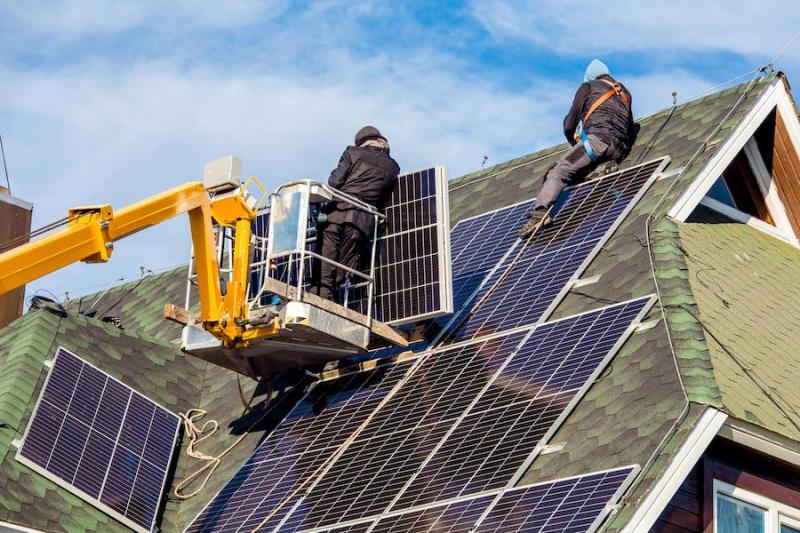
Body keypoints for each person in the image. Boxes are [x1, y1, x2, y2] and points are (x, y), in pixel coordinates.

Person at [519, 59, 636, 238]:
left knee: (559, 171)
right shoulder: (625, 93)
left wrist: (574, 141)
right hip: (618, 148)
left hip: (596, 143)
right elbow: (628, 124)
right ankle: (600, 168)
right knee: (579, 174)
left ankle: (539, 214)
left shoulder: (588, 87)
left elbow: (569, 124)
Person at [313, 126, 400, 302]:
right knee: (344, 263)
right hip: (362, 222)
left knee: (325, 257)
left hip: (336, 214)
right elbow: (384, 200)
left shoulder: (352, 153)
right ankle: (328, 298)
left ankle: (319, 298)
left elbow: (334, 182)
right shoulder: (393, 166)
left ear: (361, 142)